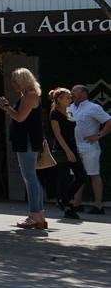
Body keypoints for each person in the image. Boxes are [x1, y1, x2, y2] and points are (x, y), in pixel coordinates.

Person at [0, 68, 46, 229]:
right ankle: (38, 215)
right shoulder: (31, 94)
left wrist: (6, 107)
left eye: (14, 80)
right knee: (31, 177)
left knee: (29, 177)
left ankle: (35, 215)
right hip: (29, 140)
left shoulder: (29, 95)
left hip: (27, 140)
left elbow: (20, 117)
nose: (13, 84)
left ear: (22, 81)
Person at [69, 84, 110, 214]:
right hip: (75, 148)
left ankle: (98, 206)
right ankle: (77, 204)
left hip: (90, 148)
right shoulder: (70, 107)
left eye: (75, 91)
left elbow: (109, 121)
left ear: (84, 93)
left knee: (93, 175)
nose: (72, 93)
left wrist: (98, 135)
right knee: (76, 175)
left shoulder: (93, 107)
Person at [49, 88, 88, 220]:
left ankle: (63, 200)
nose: (70, 99)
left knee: (81, 176)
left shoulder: (69, 113)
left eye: (70, 97)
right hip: (61, 150)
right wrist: (68, 151)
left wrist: (75, 150)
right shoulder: (54, 114)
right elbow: (58, 135)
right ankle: (66, 206)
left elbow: (72, 133)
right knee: (64, 178)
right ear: (59, 99)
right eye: (67, 97)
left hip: (72, 148)